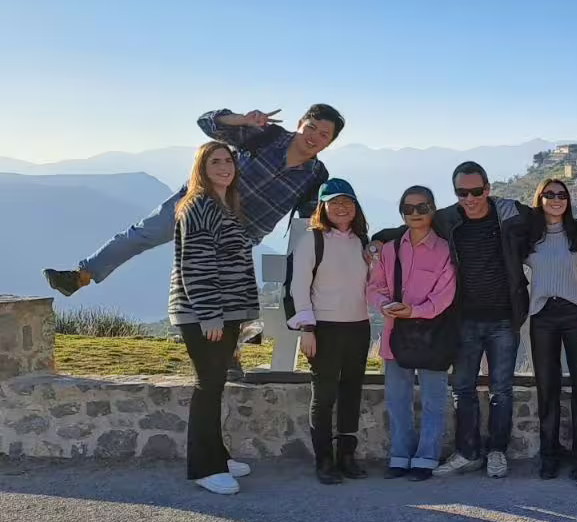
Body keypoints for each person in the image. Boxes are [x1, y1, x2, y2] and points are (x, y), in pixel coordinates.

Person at [46, 105, 343, 296]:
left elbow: (314, 219)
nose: (314, 136)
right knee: (142, 235)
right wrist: (241, 119)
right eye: (311, 127)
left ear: (329, 142)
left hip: (239, 233)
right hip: (199, 204)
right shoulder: (265, 135)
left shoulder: (316, 177)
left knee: (227, 290)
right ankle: (80, 276)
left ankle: (229, 355)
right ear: (300, 123)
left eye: (324, 134)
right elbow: (206, 122)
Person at [429, 162, 534, 479]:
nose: (471, 198)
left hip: (504, 319)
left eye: (477, 191)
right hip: (464, 321)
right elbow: (410, 227)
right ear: (456, 192)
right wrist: (376, 240)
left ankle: (497, 452)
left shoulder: (511, 214)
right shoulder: (446, 219)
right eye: (463, 192)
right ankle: (467, 453)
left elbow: (552, 218)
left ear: (488, 188)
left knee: (501, 390)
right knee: (462, 388)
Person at [168, 142, 259, 495]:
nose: (224, 166)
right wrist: (210, 316)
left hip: (223, 312)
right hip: (204, 314)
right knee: (208, 385)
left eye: (228, 160)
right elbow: (197, 264)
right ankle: (204, 468)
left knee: (215, 383)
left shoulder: (225, 205)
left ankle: (217, 456)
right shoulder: (199, 206)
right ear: (201, 169)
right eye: (214, 161)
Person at [368, 186, 457, 482]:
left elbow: (446, 295)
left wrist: (415, 311)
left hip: (433, 335)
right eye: (409, 208)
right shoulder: (390, 249)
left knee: (434, 399)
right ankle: (400, 455)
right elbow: (374, 286)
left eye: (422, 207)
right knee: (397, 399)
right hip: (396, 334)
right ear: (401, 212)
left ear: (432, 209)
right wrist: (385, 305)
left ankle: (426, 457)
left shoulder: (445, 250)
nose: (415, 214)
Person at [287, 179, 372, 485]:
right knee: (323, 397)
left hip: (359, 326)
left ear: (355, 206)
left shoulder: (362, 241)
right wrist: (307, 328)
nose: (341, 207)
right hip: (324, 328)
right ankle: (324, 461)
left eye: (347, 202)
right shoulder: (313, 239)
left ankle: (347, 456)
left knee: (351, 393)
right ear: (322, 207)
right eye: (334, 202)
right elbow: (299, 285)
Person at [525, 178, 577, 481]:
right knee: (547, 388)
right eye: (549, 194)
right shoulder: (530, 237)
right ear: (540, 199)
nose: (556, 199)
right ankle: (549, 455)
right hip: (542, 315)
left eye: (561, 195)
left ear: (568, 200)